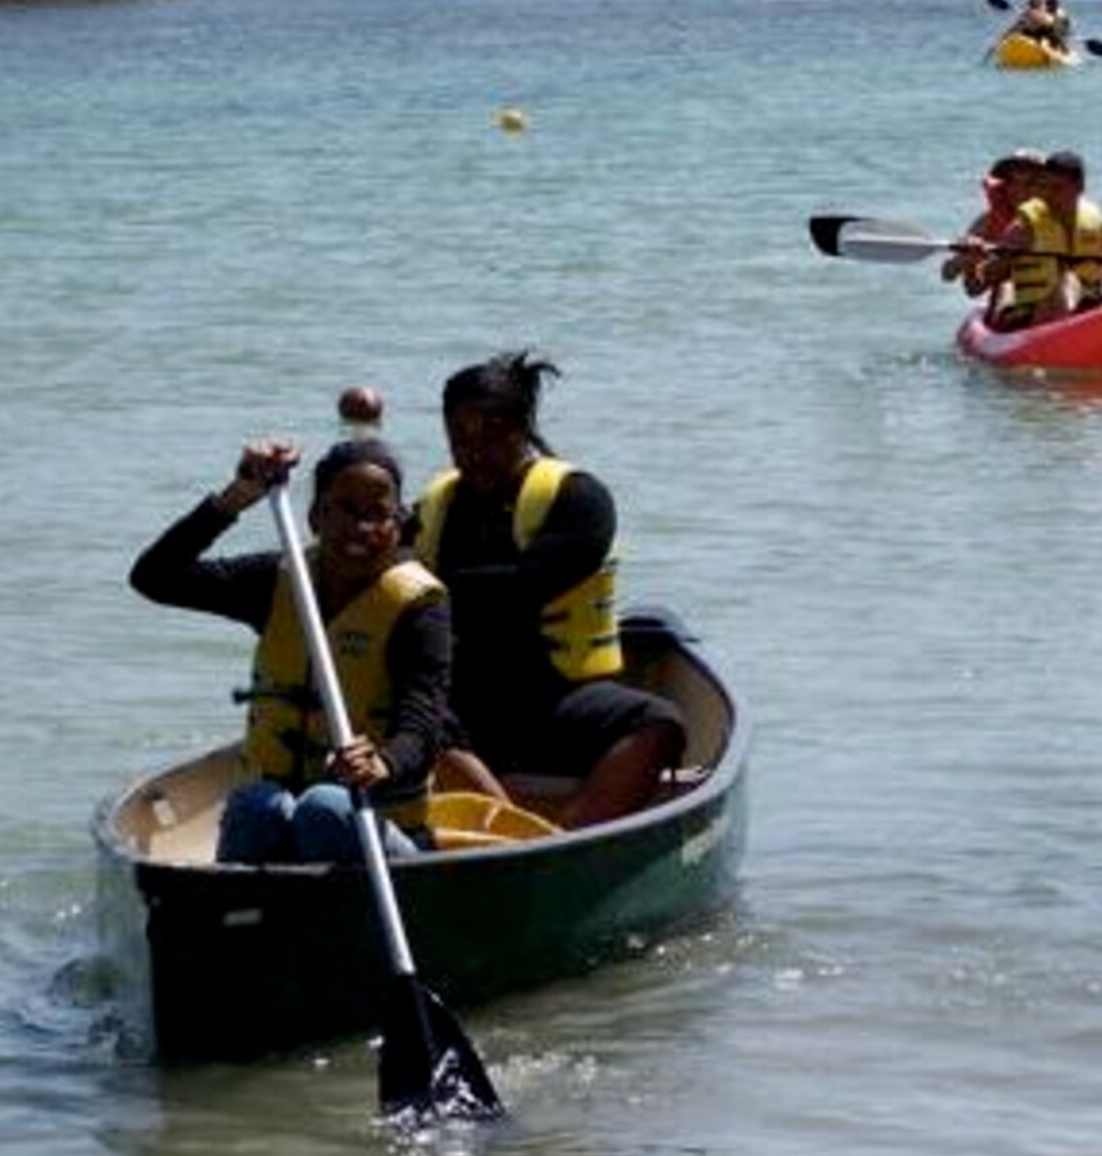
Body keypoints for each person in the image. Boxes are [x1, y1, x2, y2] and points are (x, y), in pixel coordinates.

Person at [129, 435, 451, 863]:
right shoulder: (280, 580)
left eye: (378, 515)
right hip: (278, 817)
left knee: (324, 807)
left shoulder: (419, 607)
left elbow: (423, 725)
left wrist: (383, 762)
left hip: (377, 826)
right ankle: (242, 917)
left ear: (398, 523)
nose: (361, 529)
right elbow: (155, 577)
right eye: (346, 511)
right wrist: (239, 496)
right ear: (316, 516)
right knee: (256, 804)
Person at [411, 351, 686, 830]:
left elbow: (525, 589)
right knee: (407, 714)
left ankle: (567, 836)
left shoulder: (580, 499)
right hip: (462, 701)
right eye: (460, 439)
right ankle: (509, 829)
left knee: (661, 725)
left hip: (553, 701)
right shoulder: (437, 505)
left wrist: (426, 587)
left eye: (491, 436)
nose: (475, 452)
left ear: (523, 429)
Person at [978, 149, 1102, 329]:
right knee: (1066, 281)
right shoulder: (1024, 228)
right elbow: (984, 278)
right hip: (1034, 317)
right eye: (1045, 187)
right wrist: (994, 258)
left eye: (1057, 188)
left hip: (1087, 314)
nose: (1049, 195)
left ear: (1079, 187)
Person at [942, 149, 1045, 305]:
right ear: (1005, 186)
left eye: (1030, 183)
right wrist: (969, 262)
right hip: (1012, 303)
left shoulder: (1061, 218)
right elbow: (957, 279)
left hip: (1052, 299)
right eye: (1013, 182)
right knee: (1007, 288)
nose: (1020, 191)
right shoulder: (988, 222)